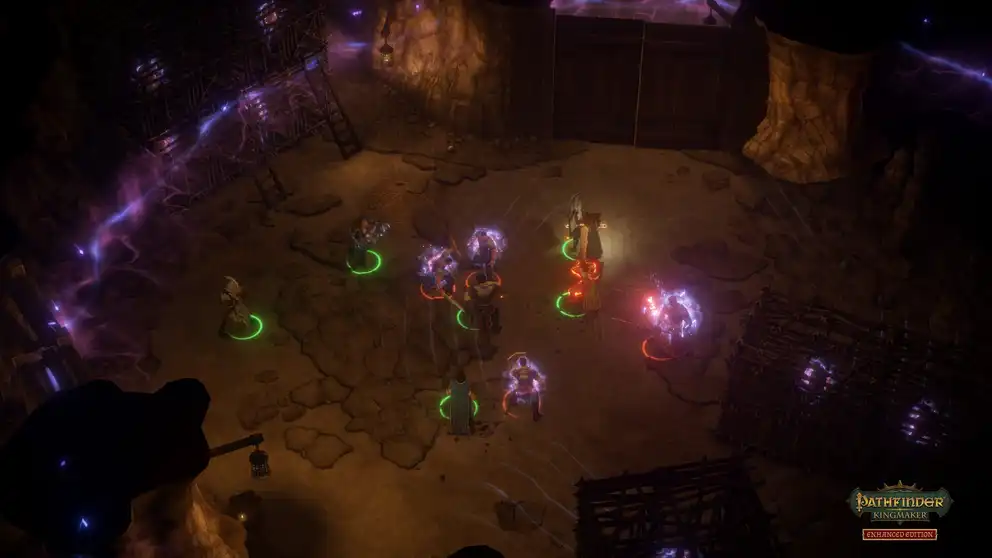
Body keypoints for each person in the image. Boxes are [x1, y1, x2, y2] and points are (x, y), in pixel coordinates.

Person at [509, 356, 541, 421]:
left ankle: (513, 401)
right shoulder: (531, 370)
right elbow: (538, 378)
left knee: (513, 389)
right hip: (529, 389)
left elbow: (512, 374)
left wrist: (517, 371)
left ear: (520, 363)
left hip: (519, 389)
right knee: (535, 396)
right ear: (526, 362)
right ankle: (535, 414)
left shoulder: (516, 371)